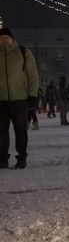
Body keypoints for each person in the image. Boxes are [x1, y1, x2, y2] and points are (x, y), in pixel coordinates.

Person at [0, 28, 39, 169]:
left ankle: (22, 158)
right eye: (1, 38)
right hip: (1, 101)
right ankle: (2, 159)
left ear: (12, 38)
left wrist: (32, 95)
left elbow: (33, 76)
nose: (4, 40)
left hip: (20, 99)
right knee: (1, 132)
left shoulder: (23, 52)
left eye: (6, 38)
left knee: (20, 131)